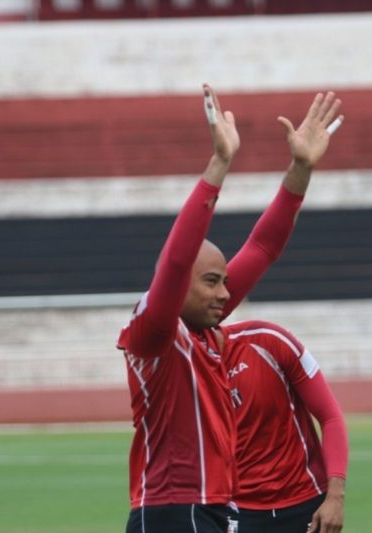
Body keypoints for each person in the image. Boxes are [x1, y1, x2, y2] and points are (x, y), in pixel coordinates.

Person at [117, 84, 343, 532]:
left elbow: (263, 245)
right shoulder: (156, 333)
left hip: (210, 510)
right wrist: (219, 164)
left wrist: (300, 169)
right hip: (173, 511)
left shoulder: (202, 329)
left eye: (224, 282)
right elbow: (179, 258)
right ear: (179, 285)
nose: (225, 294)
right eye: (212, 282)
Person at [224, 320, 348, 533]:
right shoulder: (184, 367)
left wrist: (335, 497)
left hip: (306, 502)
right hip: (238, 510)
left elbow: (330, 417)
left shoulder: (268, 339)